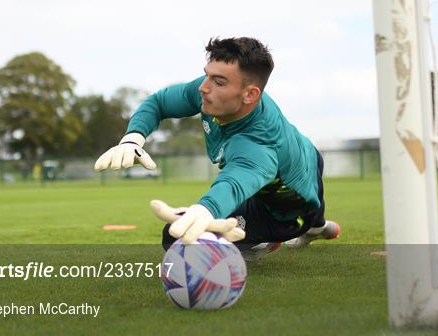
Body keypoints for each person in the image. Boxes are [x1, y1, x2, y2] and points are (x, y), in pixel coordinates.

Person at [95, 37, 340, 260]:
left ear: (250, 94)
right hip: (301, 156)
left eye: (219, 81)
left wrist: (206, 210)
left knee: (179, 236)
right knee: (309, 215)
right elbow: (158, 103)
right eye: (207, 75)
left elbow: (234, 183)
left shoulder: (259, 143)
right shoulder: (210, 93)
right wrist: (133, 138)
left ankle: (289, 232)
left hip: (286, 206)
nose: (204, 87)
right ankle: (318, 227)